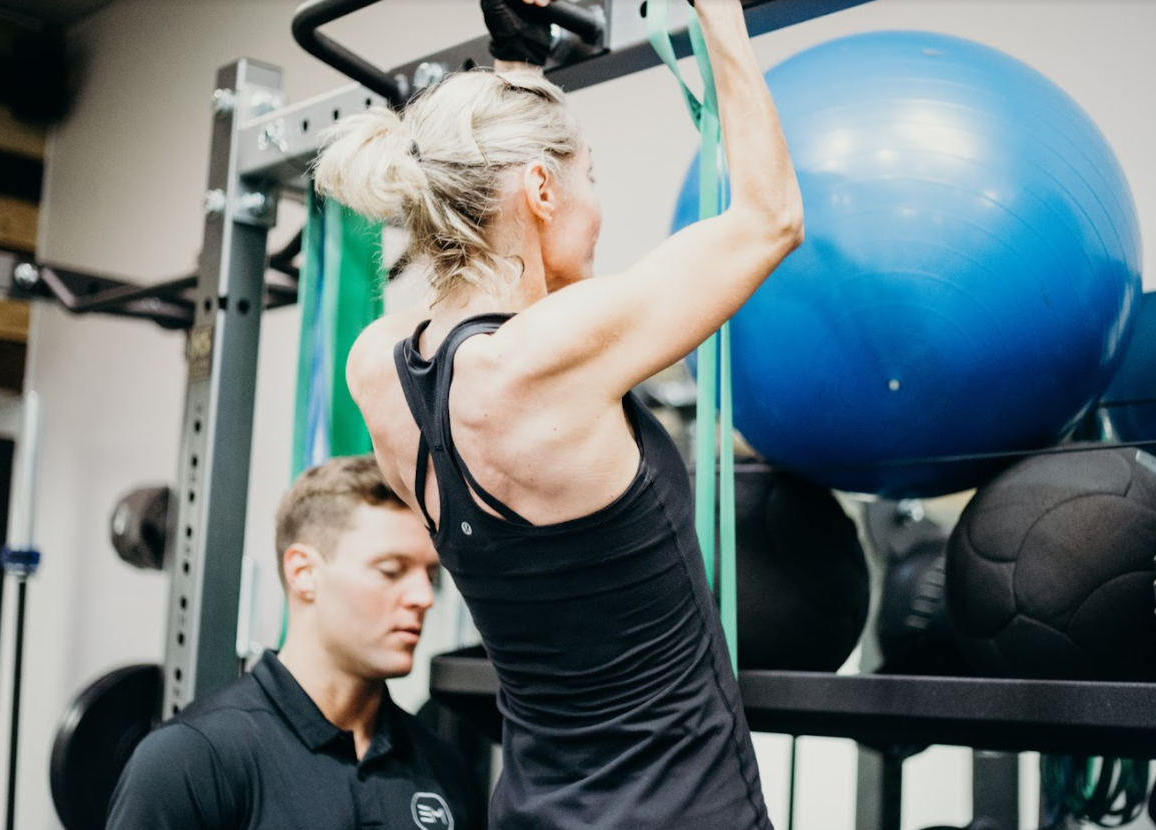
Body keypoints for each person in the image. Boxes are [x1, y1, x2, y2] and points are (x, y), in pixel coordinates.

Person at [314, 0, 802, 826]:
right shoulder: (548, 360)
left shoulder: (381, 371)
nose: (597, 201)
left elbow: (485, 281)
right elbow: (770, 218)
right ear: (540, 187)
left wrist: (521, 69)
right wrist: (716, 12)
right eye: (591, 175)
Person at [106, 454, 484, 830]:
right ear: (304, 574)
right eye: (391, 571)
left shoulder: (446, 773)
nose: (423, 597)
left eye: (430, 575)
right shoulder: (192, 760)